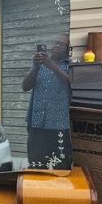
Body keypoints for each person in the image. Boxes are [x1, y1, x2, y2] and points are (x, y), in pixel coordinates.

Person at [21, 35, 72, 169]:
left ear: (68, 50)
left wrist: (53, 66)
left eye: (60, 44)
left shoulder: (70, 66)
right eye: (55, 43)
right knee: (36, 164)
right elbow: (25, 86)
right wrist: (37, 67)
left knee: (60, 166)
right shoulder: (39, 65)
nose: (56, 46)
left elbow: (72, 85)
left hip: (58, 126)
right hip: (36, 123)